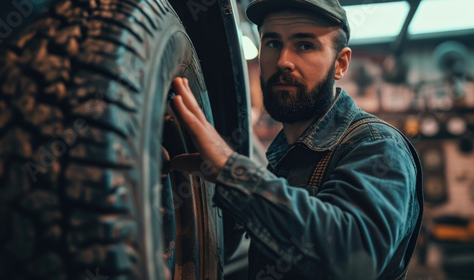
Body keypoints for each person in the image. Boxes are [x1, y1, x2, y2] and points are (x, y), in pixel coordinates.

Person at [170, 0, 423, 279]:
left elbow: (356, 259)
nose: (283, 61)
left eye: (305, 45)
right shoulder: (285, 158)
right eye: (272, 43)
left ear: (340, 64)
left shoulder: (378, 145)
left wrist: (229, 169)